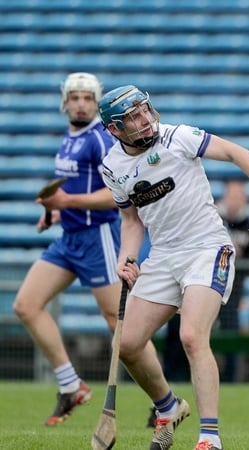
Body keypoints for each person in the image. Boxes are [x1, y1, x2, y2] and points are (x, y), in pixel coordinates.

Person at [98, 84, 249, 450]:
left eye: (144, 110)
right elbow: (131, 221)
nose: (144, 120)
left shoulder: (179, 137)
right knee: (126, 343)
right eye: (132, 117)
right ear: (115, 129)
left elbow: (238, 153)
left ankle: (209, 438)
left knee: (191, 336)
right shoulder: (112, 167)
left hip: (207, 248)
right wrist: (126, 259)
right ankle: (168, 405)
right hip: (162, 255)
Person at [11, 72, 136, 427]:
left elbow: (116, 196)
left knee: (122, 326)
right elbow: (71, 191)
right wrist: (54, 211)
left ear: (96, 103)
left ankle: (162, 401)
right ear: (65, 102)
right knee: (26, 305)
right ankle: (71, 385)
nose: (81, 103)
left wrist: (67, 200)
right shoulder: (69, 138)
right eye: (75, 97)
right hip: (69, 238)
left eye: (88, 98)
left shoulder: (100, 138)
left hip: (97, 236)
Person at [217, 178, 249, 382]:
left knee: (230, 334)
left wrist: (238, 255)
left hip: (233, 292)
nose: (234, 202)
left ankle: (230, 378)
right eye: (231, 196)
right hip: (207, 286)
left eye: (238, 197)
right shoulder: (213, 219)